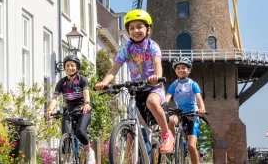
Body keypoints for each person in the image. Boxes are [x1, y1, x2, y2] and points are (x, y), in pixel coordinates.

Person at [95, 9, 174, 153]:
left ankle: (167, 135)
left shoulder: (152, 46)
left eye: (139, 27)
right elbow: (114, 69)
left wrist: (156, 77)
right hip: (136, 90)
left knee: (151, 102)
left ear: (148, 29)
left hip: (153, 88)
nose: (135, 30)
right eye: (131, 28)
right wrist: (104, 82)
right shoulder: (126, 49)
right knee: (131, 132)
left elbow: (157, 63)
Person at [45, 55, 96, 164]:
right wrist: (49, 109)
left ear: (77, 68)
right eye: (67, 65)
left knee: (80, 131)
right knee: (65, 135)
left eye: (72, 65)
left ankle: (88, 150)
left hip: (83, 111)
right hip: (69, 112)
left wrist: (87, 103)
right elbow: (55, 97)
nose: (69, 67)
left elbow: (86, 92)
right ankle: (66, 160)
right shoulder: (62, 82)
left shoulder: (82, 80)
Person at [165, 57, 206, 164]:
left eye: (183, 68)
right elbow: (168, 96)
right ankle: (172, 142)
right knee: (171, 120)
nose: (180, 70)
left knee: (191, 145)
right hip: (179, 112)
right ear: (175, 70)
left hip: (192, 113)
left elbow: (198, 97)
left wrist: (201, 108)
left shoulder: (193, 84)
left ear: (189, 70)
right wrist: (163, 105)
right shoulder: (174, 85)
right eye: (178, 68)